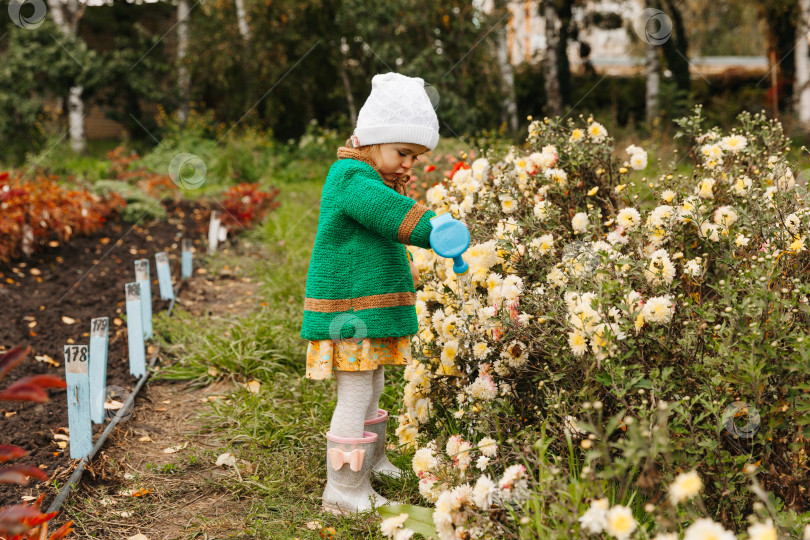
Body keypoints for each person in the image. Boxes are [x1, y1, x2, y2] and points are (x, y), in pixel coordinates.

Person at [300, 72, 442, 515]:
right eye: (404, 152)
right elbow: (384, 212)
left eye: (415, 157)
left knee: (373, 381)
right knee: (357, 392)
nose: (408, 165)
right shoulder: (351, 176)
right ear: (375, 139)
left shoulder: (370, 176)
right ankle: (343, 488)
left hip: (364, 312)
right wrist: (434, 228)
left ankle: (373, 462)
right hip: (348, 313)